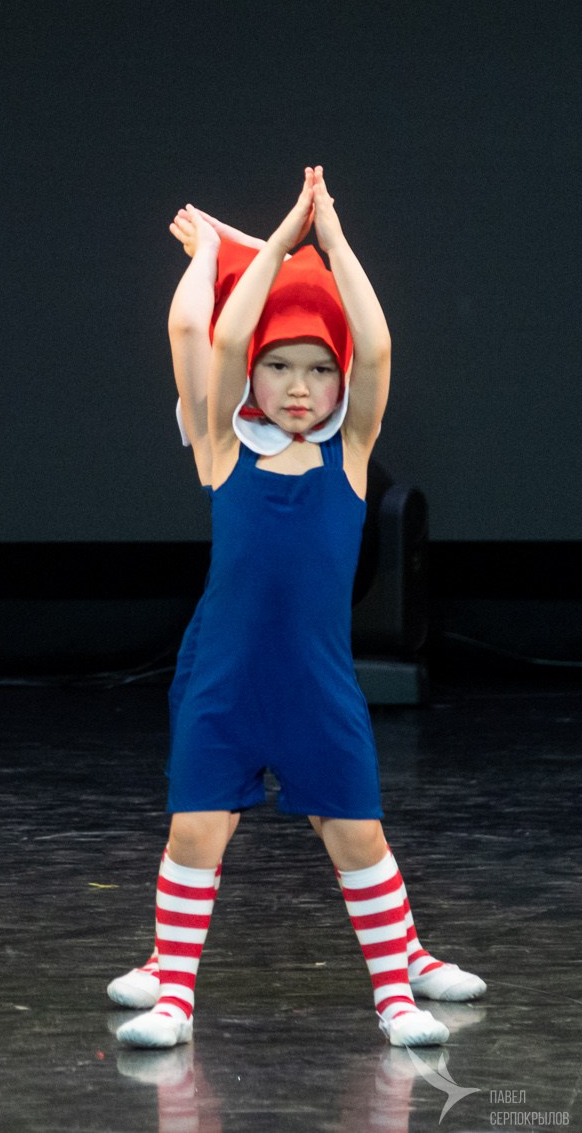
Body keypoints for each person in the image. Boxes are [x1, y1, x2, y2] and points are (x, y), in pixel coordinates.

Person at [117, 168, 478, 1051]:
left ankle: (397, 991)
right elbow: (207, 331)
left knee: (357, 835)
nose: (299, 386)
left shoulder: (348, 459)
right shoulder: (220, 449)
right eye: (281, 367)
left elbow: (379, 348)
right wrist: (269, 245)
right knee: (195, 830)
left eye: (320, 370)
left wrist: (337, 243)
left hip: (318, 688)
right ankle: (174, 995)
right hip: (228, 687)